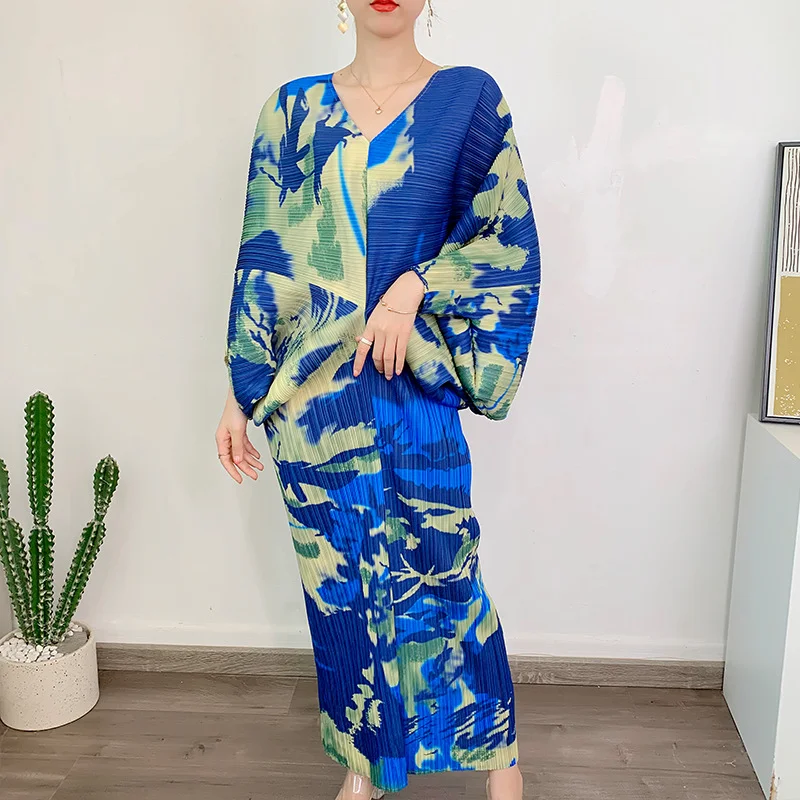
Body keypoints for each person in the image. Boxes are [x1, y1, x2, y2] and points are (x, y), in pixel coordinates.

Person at [215, 1, 540, 797]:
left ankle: (500, 762)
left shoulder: (468, 100)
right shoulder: (291, 113)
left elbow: (505, 239)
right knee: (345, 598)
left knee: (447, 575)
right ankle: (368, 765)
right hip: (314, 412)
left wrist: (415, 284)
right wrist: (238, 393)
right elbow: (266, 264)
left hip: (412, 392)